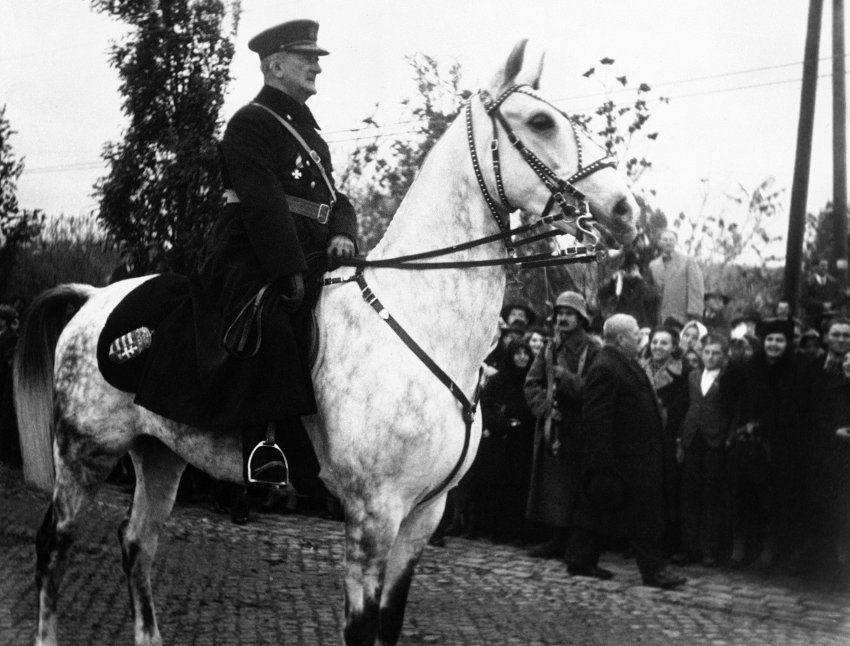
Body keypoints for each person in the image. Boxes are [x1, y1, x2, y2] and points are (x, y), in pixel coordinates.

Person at [117, 19, 357, 490]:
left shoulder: (310, 135)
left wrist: (342, 232)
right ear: (276, 65)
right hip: (249, 254)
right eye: (306, 57)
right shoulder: (251, 122)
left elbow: (337, 200)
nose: (316, 67)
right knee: (268, 320)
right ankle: (262, 444)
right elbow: (262, 203)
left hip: (307, 252)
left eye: (316, 59)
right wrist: (287, 267)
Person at [566, 314, 686, 589]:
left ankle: (581, 560)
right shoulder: (606, 367)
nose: (640, 339)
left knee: (599, 510)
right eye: (636, 334)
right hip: (623, 458)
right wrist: (601, 465)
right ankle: (653, 571)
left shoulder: (620, 362)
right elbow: (597, 418)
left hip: (634, 456)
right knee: (641, 516)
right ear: (621, 339)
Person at [727, 318, 809, 567]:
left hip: (780, 444)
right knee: (743, 496)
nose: (774, 345)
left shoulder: (796, 369)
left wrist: (764, 424)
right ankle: (739, 549)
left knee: (771, 499)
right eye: (770, 340)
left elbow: (795, 409)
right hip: (750, 443)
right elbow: (730, 395)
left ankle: (768, 550)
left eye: (779, 340)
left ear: (787, 343)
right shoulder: (751, 366)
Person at [524, 291, 599, 559]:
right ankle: (556, 538)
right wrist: (545, 408)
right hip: (553, 424)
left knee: (576, 487)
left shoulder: (594, 349)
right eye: (560, 314)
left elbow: (594, 388)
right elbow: (532, 383)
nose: (563, 319)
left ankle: (572, 542)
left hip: (581, 425)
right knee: (553, 486)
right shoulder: (549, 348)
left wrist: (565, 378)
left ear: (581, 318)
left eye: (569, 314)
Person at [676, 334, 731, 567]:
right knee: (690, 494)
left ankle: (708, 549)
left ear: (724, 356)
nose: (710, 357)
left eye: (716, 353)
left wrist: (726, 437)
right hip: (692, 439)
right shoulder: (692, 376)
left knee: (711, 495)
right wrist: (681, 438)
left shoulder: (727, 379)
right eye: (707, 352)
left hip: (714, 440)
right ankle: (689, 548)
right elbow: (687, 406)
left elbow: (731, 410)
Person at [474, 339, 536, 543]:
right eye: (517, 353)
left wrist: (510, 410)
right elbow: (487, 407)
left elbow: (531, 407)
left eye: (525, 353)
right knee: (500, 486)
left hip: (524, 442)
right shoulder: (498, 380)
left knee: (520, 488)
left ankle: (519, 531)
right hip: (501, 442)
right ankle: (497, 529)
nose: (522, 357)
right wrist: (504, 419)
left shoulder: (532, 378)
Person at [640, 326, 690, 555]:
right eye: (655, 342)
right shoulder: (639, 370)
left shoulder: (682, 374)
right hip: (642, 438)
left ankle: (670, 543)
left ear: (674, 347)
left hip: (667, 438)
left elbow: (681, 407)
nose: (657, 347)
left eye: (664, 343)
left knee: (668, 491)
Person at [648, 229, 704, 327]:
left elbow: (695, 289)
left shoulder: (687, 262)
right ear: (660, 242)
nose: (668, 242)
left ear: (676, 242)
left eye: (671, 240)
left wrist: (695, 315)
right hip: (660, 318)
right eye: (665, 240)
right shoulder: (653, 265)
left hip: (681, 317)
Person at [597, 249, 658, 328]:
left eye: (634, 268)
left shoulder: (643, 282)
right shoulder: (619, 282)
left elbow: (652, 297)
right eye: (628, 269)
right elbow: (601, 294)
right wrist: (612, 282)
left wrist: (640, 279)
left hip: (639, 322)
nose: (631, 271)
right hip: (621, 321)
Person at [801, 259, 843, 328]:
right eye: (822, 266)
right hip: (813, 318)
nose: (825, 268)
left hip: (830, 319)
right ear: (816, 267)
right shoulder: (807, 282)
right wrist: (821, 305)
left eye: (826, 266)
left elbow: (839, 297)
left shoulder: (834, 282)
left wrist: (831, 304)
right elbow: (804, 300)